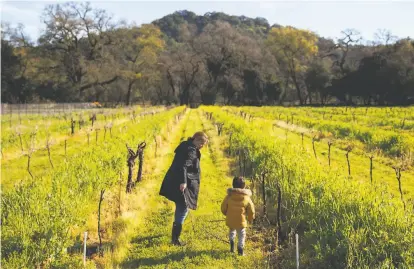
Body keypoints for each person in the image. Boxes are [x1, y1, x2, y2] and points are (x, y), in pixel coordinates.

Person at [159, 131, 208, 246]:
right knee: (183, 207)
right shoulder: (191, 150)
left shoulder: (185, 145)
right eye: (202, 144)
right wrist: (184, 182)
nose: (201, 147)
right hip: (181, 181)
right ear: (197, 140)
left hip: (174, 179)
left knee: (181, 206)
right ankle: (175, 239)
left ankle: (175, 234)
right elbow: (184, 166)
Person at [221, 176, 255, 256]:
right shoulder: (246, 198)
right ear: (244, 186)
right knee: (242, 234)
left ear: (233, 185)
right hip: (241, 221)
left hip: (231, 220)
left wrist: (227, 214)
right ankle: (240, 250)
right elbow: (251, 210)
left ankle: (232, 244)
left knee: (232, 230)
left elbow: (223, 207)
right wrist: (250, 219)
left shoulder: (229, 196)